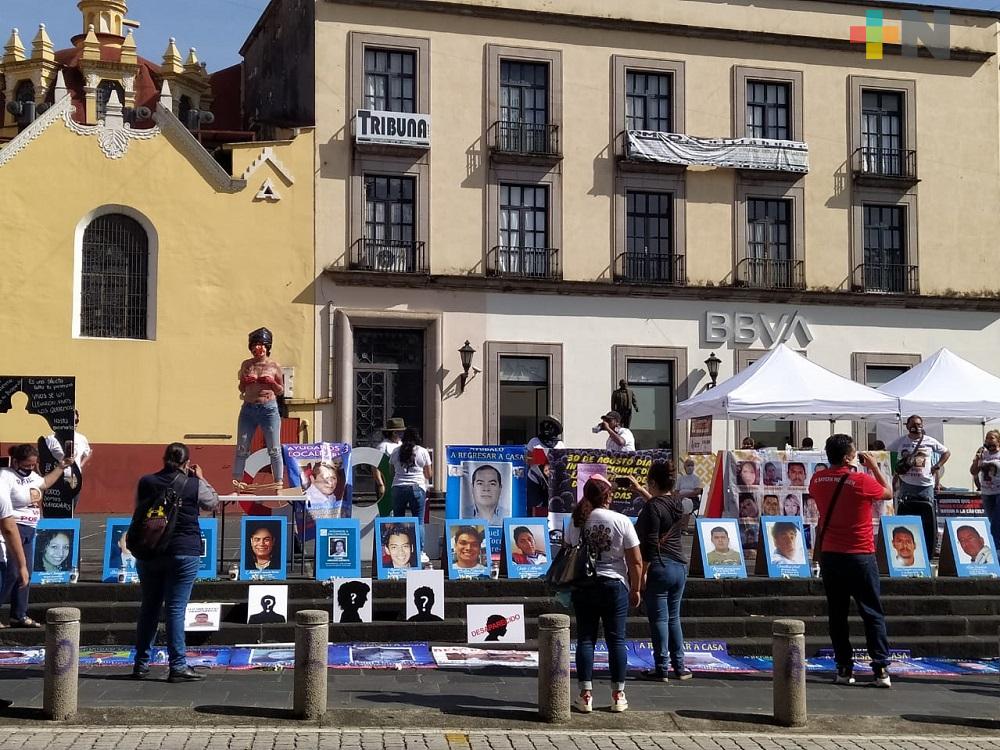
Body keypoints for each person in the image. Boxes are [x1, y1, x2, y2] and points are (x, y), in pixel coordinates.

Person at [809, 434, 894, 688]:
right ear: (848, 457)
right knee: (871, 611)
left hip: (832, 555)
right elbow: (888, 494)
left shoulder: (817, 479)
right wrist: (875, 467)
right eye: (854, 453)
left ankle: (844, 667)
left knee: (837, 613)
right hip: (860, 554)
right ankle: (880, 669)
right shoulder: (861, 480)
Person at [132, 442, 219, 683]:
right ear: (187, 463)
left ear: (163, 459)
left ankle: (140, 664)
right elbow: (212, 502)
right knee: (175, 609)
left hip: (150, 549)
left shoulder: (146, 481)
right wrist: (201, 478)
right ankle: (177, 665)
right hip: (184, 550)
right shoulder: (193, 484)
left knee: (149, 606)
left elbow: (139, 509)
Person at [565, 475, 642, 713]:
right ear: (608, 496)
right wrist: (637, 587)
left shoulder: (577, 520)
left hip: (585, 585)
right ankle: (618, 694)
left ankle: (585, 695)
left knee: (586, 639)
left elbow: (568, 549)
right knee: (616, 639)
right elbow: (635, 560)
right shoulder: (621, 520)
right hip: (614, 583)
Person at [633, 461, 693, 683]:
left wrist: (642, 573)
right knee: (673, 617)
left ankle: (661, 667)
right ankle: (680, 666)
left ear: (653, 482)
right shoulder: (678, 504)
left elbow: (649, 544)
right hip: (679, 566)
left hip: (659, 565)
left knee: (658, 618)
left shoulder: (652, 508)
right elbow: (662, 508)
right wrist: (641, 491)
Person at [0, 444, 72, 628]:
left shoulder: (32, 476)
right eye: (27, 465)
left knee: (26, 574)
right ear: (15, 461)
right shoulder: (6, 476)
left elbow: (44, 483)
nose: (30, 469)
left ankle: (19, 615)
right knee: (12, 572)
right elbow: (6, 518)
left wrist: (61, 466)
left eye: (33, 465)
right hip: (13, 529)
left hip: (30, 529)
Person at [888, 415, 950, 554]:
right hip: (907, 484)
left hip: (925, 485)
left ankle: (927, 547)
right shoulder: (902, 441)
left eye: (919, 424)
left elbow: (946, 452)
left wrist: (937, 466)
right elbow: (887, 452)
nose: (917, 427)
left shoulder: (929, 441)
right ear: (907, 426)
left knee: (926, 517)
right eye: (914, 424)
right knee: (906, 516)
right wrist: (896, 471)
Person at [233, 327, 285, 489]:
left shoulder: (274, 366)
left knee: (274, 448)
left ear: (267, 347)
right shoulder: (247, 365)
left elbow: (280, 390)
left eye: (262, 345)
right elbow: (241, 388)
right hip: (248, 408)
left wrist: (271, 383)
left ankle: (278, 483)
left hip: (268, 409)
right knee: (242, 446)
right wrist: (245, 382)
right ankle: (236, 483)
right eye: (255, 345)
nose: (258, 348)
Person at [43, 409, 92, 491]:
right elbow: (40, 458)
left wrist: (81, 465)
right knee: (56, 503)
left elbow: (89, 452)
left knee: (73, 503)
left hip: (74, 479)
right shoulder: (51, 439)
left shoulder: (82, 439)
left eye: (76, 421)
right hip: (56, 479)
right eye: (71, 421)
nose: (74, 424)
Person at [390, 428, 432, 520]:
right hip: (417, 486)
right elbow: (428, 474)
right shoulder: (423, 451)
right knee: (419, 521)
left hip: (398, 486)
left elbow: (391, 472)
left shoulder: (395, 451)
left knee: (398, 521)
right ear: (417, 438)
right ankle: (419, 535)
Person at [526, 415, 564, 513]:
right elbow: (527, 459)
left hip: (552, 482)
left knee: (550, 508)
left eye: (550, 426)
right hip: (535, 479)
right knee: (534, 506)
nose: (547, 428)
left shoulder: (560, 445)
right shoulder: (534, 441)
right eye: (545, 425)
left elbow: (562, 463)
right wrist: (537, 458)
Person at [971, 430, 1000, 550]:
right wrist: (976, 459)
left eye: (991, 438)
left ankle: (997, 549)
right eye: (987, 438)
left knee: (996, 523)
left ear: (998, 440)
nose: (988, 440)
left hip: (999, 491)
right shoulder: (983, 454)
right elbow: (973, 472)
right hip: (987, 493)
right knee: (992, 520)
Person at [372, 417, 405, 498]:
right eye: (401, 432)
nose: (402, 434)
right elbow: (375, 467)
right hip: (386, 481)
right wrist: (380, 484)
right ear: (394, 433)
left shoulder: (401, 444)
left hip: (398, 482)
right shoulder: (383, 447)